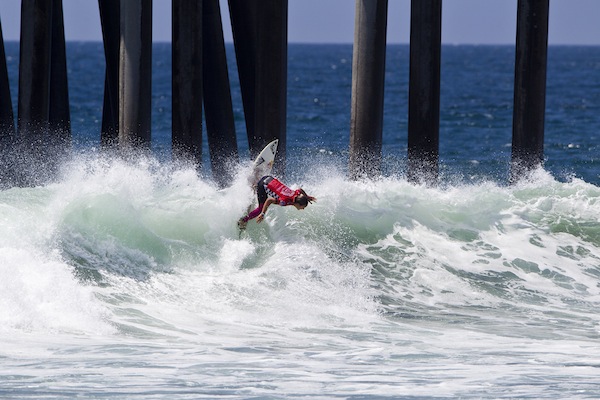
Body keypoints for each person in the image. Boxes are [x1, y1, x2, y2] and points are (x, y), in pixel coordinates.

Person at [238, 175, 316, 230]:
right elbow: (269, 200)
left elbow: (300, 189)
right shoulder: (285, 201)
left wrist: (307, 197)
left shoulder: (296, 194)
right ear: (298, 204)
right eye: (303, 207)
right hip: (263, 185)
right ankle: (243, 220)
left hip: (269, 178)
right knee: (260, 209)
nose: (302, 209)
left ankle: (257, 183)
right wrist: (263, 214)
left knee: (272, 190)